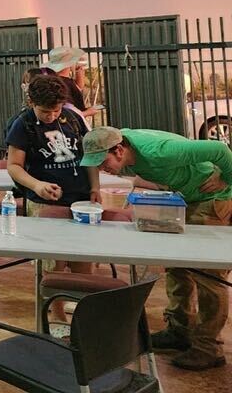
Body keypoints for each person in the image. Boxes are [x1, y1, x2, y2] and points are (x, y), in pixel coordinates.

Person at [81, 126, 232, 371]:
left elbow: (219, 148)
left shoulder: (161, 152)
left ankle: (208, 347)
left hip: (211, 200)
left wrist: (227, 179)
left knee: (208, 274)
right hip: (187, 199)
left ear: (119, 150)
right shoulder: (121, 140)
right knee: (176, 265)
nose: (100, 168)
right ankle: (179, 330)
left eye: (102, 161)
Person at [5, 72, 98, 329]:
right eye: (46, 111)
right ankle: (57, 317)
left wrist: (95, 186)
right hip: (46, 201)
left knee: (84, 259)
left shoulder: (73, 118)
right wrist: (37, 185)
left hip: (79, 199)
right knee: (51, 264)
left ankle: (84, 315)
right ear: (31, 102)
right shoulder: (22, 125)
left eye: (56, 110)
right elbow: (14, 166)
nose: (52, 116)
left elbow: (88, 154)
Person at [45, 46, 101, 121]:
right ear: (69, 64)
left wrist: (79, 71)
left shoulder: (60, 79)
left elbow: (78, 87)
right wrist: (87, 112)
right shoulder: (60, 84)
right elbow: (66, 111)